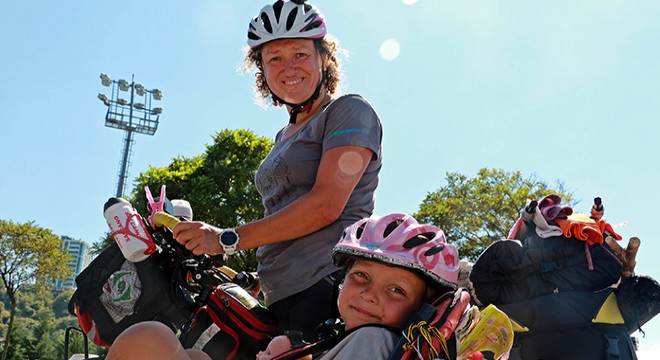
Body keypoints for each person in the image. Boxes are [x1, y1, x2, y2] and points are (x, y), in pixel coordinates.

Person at [172, 0, 383, 341]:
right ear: (262, 72)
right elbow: (282, 218)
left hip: (328, 284)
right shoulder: (282, 137)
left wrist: (226, 238)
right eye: (275, 59)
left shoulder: (349, 111)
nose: (289, 68)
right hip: (277, 293)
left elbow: (325, 206)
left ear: (323, 59)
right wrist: (256, 278)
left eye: (300, 54)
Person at [106, 213, 460, 360]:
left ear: (421, 309)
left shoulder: (375, 340)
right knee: (195, 355)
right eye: (361, 277)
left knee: (149, 339)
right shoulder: (363, 338)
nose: (370, 294)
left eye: (396, 290)